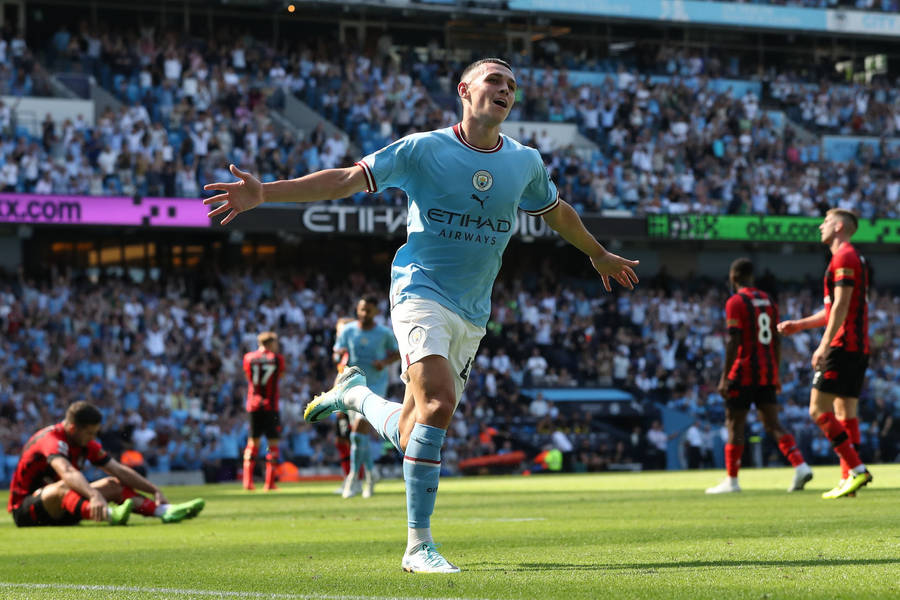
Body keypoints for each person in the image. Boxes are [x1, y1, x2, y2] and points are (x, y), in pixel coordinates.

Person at [203, 57, 639, 573]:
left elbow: (556, 210)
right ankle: (418, 546)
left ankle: (356, 395)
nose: (504, 90)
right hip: (419, 289)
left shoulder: (524, 162)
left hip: (473, 310)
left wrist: (596, 252)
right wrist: (265, 194)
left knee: (416, 430)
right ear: (464, 90)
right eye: (494, 81)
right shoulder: (423, 149)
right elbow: (347, 178)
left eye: (512, 86)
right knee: (438, 400)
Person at [777, 209, 872, 499]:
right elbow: (834, 309)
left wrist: (824, 345)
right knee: (846, 413)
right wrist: (800, 325)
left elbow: (841, 307)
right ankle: (849, 481)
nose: (821, 225)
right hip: (857, 346)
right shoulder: (849, 257)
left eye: (827, 221)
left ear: (840, 226)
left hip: (842, 346)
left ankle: (856, 470)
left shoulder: (844, 258)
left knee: (818, 410)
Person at [706, 258, 813, 495]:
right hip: (765, 372)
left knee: (735, 424)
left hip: (742, 372)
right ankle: (800, 465)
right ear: (752, 277)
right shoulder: (768, 301)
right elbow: (776, 339)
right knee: (773, 424)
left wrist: (724, 376)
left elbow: (734, 340)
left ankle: (732, 481)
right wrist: (775, 372)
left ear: (733, 278)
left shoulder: (735, 302)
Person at [8, 401, 204, 527]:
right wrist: (94, 495)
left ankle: (164, 511)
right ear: (74, 428)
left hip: (66, 508)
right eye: (90, 433)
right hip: (27, 511)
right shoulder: (51, 440)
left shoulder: (84, 442)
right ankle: (110, 515)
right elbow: (66, 471)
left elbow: (118, 469)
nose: (93, 438)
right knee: (61, 487)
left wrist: (154, 490)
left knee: (113, 484)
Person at [332, 296, 400, 498]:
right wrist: (340, 356)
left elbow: (398, 352)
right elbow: (337, 352)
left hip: (375, 386)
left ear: (376, 312)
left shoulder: (384, 333)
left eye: (368, 310)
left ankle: (353, 479)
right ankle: (370, 476)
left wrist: (385, 362)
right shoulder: (348, 331)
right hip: (352, 384)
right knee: (357, 437)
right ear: (357, 309)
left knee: (359, 428)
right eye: (362, 309)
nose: (364, 313)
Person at [242, 331, 285, 491]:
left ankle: (248, 482)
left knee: (252, 443)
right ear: (270, 343)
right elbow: (280, 376)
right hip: (270, 406)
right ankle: (269, 483)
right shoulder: (277, 359)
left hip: (253, 404)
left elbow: (248, 377)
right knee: (272, 444)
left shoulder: (248, 358)